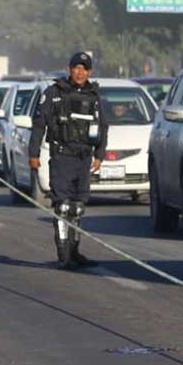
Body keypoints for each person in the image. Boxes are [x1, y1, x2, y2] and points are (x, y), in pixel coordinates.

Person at [28, 52, 107, 270]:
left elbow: (102, 126)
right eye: (76, 67)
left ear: (89, 72)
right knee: (62, 206)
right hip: (62, 157)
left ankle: (75, 252)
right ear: (69, 69)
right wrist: (33, 154)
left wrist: (100, 154)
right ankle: (63, 256)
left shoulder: (94, 95)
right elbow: (39, 124)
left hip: (83, 159)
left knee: (78, 208)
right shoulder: (54, 92)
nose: (80, 72)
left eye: (84, 68)